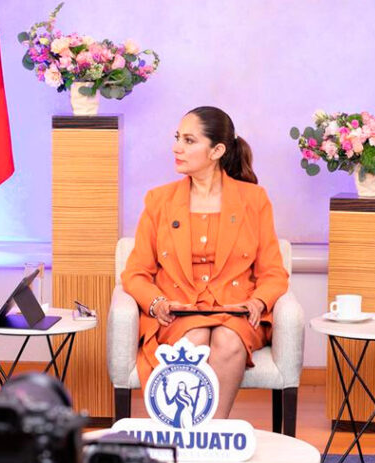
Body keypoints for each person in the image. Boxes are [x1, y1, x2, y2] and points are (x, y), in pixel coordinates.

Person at [122, 106, 289, 422]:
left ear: (217, 151)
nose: (176, 148)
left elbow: (273, 272)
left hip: (235, 311)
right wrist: (156, 303)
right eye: (177, 138)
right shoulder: (158, 200)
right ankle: (186, 429)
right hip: (180, 310)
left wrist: (258, 301)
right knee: (196, 336)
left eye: (189, 140)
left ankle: (212, 433)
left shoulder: (254, 199)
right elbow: (136, 273)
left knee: (228, 340)